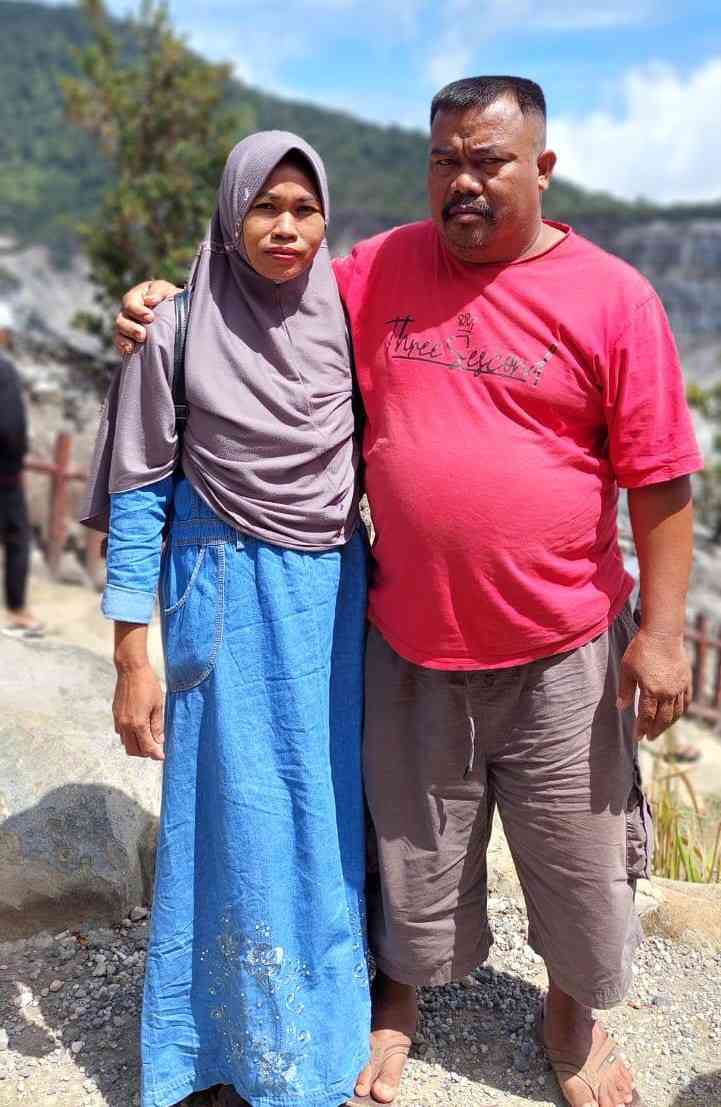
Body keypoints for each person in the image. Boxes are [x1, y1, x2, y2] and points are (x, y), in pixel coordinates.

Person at [114, 77, 702, 1107]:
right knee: (411, 849)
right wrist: (166, 298)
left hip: (561, 640)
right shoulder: (376, 268)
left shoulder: (614, 296)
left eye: (489, 160)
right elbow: (259, 291)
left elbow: (658, 475)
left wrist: (661, 631)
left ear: (542, 168)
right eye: (446, 161)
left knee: (575, 852)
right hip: (410, 637)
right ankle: (397, 1002)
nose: (464, 181)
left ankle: (568, 1017)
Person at [82, 132, 372, 1107]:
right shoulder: (177, 326)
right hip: (221, 598)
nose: (285, 227)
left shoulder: (349, 319)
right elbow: (135, 495)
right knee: (228, 818)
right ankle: (209, 1049)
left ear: (325, 217)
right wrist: (133, 652)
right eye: (266, 207)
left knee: (317, 816)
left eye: (303, 208)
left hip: (328, 606)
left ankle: (312, 1052)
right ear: (231, 211)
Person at [0, 303, 43, 639]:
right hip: (4, 475)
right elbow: (11, 424)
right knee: (17, 538)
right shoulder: (4, 370)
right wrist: (14, 464)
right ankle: (16, 610)